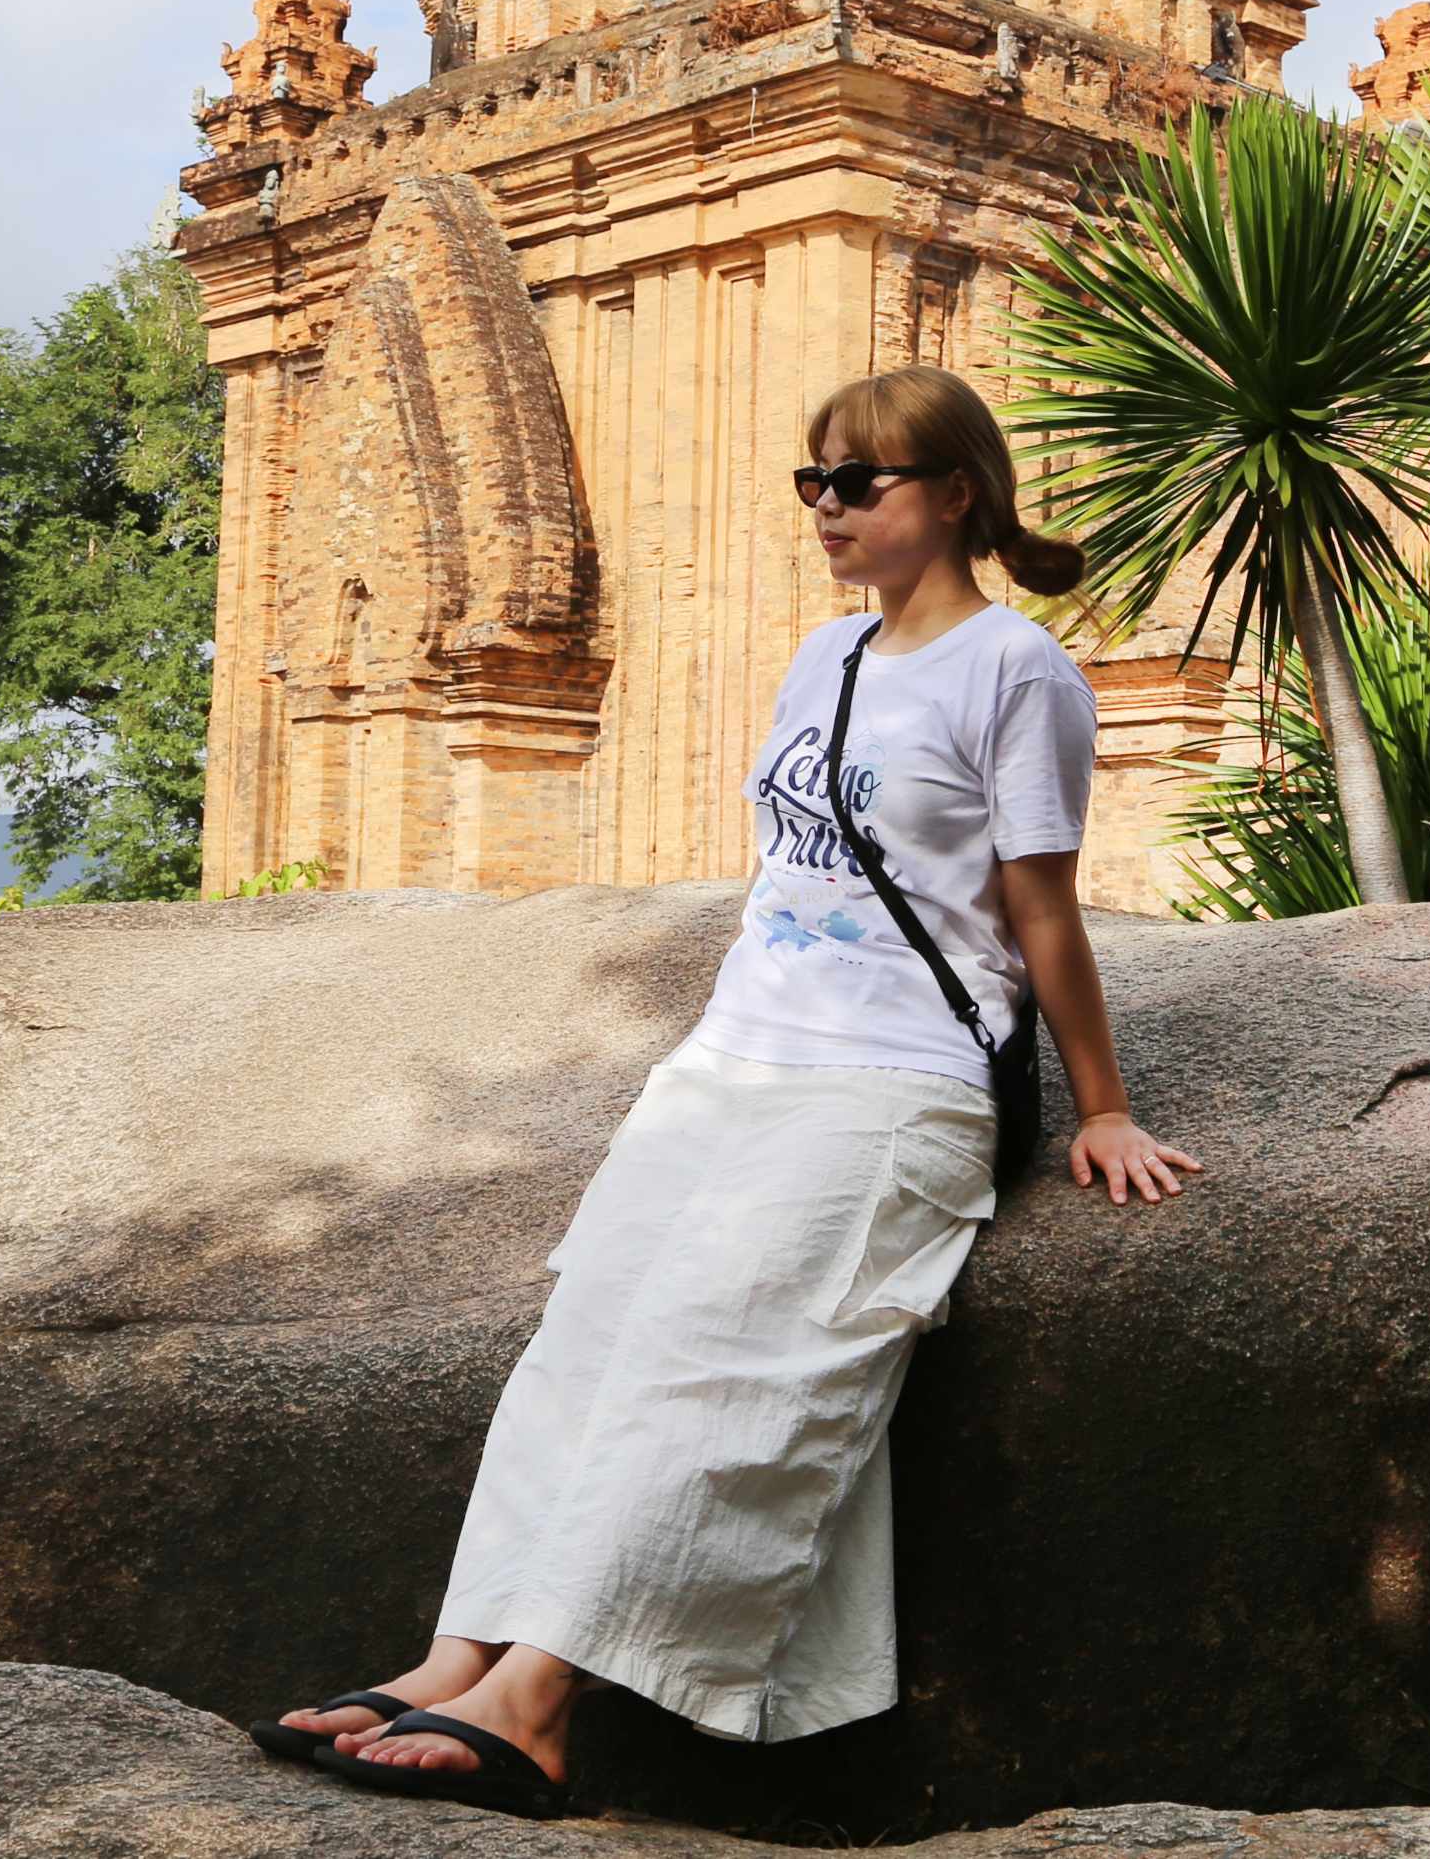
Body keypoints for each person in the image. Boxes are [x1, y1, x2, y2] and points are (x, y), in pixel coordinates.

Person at [262, 366, 1204, 1816]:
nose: (826, 507)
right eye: (812, 481)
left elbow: (1043, 910)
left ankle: (539, 1703)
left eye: (859, 482)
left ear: (956, 492)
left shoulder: (1019, 669)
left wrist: (1104, 1106)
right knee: (587, 1341)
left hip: (897, 1078)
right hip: (732, 1059)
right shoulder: (824, 657)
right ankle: (458, 1656)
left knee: (720, 1356)